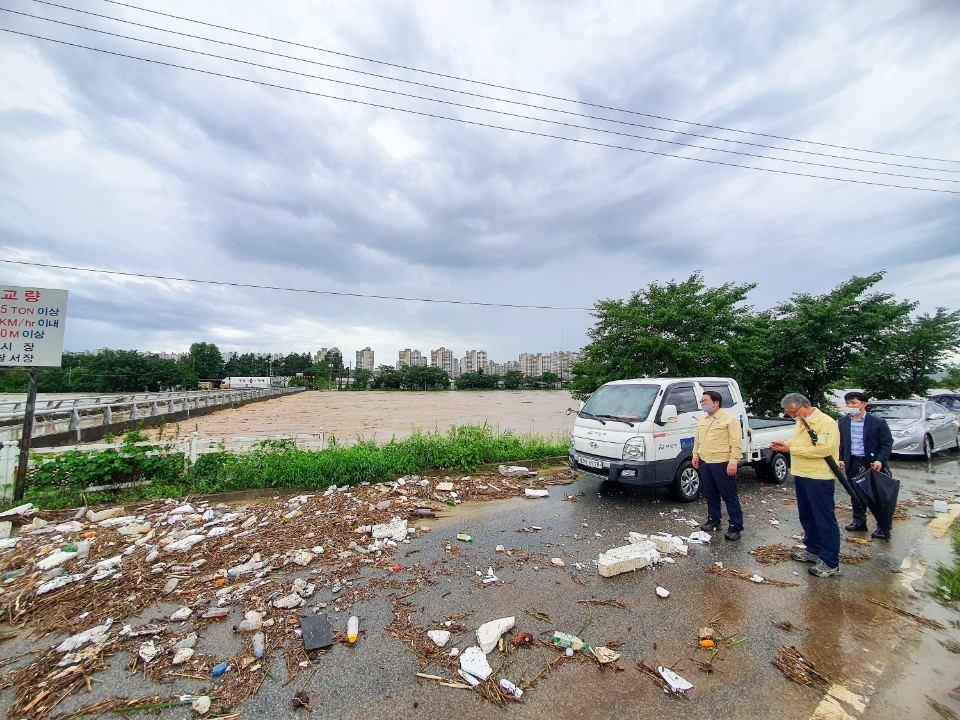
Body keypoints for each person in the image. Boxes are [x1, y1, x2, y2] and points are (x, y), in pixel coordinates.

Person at [770, 393, 841, 578]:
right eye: (788, 413)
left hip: (818, 476)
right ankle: (813, 550)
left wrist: (791, 449)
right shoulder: (802, 421)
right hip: (801, 474)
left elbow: (824, 449)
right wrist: (784, 444)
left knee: (824, 519)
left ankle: (830, 561)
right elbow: (799, 442)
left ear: (804, 406)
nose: (792, 416)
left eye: (792, 412)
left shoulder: (826, 423)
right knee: (807, 516)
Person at [838, 391, 894, 538]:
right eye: (848, 403)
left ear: (864, 404)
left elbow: (887, 443)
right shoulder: (843, 421)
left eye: (854, 403)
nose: (850, 406)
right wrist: (841, 457)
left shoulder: (877, 422)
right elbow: (842, 442)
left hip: (872, 464)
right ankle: (859, 522)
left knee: (877, 496)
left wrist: (880, 460)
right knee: (855, 494)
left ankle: (883, 527)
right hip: (853, 462)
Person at [692, 390, 744, 541]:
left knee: (729, 495)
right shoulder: (703, 420)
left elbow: (736, 443)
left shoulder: (729, 420)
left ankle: (735, 526)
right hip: (705, 462)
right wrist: (695, 455)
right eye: (702, 401)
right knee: (709, 493)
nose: (703, 403)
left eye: (706, 401)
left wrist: (733, 462)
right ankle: (714, 519)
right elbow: (697, 440)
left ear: (716, 403)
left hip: (722, 463)